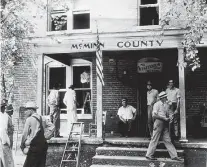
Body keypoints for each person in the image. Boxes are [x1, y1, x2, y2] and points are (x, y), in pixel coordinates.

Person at [145, 92, 182, 161]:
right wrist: (164, 118)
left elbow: (169, 113)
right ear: (162, 98)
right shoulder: (157, 104)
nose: (166, 98)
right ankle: (149, 155)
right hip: (158, 123)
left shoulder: (167, 104)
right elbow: (154, 115)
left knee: (168, 140)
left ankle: (174, 156)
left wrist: (171, 117)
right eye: (165, 97)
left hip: (165, 123)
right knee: (155, 139)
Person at [20, 101, 48, 167]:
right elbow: (52, 127)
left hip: (34, 147)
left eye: (27, 110)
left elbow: (25, 134)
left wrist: (22, 144)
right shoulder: (42, 118)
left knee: (29, 165)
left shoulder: (29, 119)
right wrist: (46, 136)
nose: (25, 112)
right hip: (43, 145)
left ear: (31, 110)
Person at [0, 99, 14, 167]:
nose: (2, 108)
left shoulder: (6, 116)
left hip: (5, 140)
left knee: (6, 160)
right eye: (1, 106)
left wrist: (10, 141)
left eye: (3, 106)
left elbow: (10, 130)